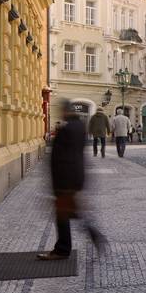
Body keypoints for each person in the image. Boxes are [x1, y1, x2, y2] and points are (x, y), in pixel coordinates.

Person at [38, 100, 106, 260]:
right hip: (76, 176)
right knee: (72, 212)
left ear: (65, 111)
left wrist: (57, 183)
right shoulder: (80, 127)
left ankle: (62, 249)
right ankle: (92, 234)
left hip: (65, 179)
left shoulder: (66, 129)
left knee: (62, 214)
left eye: (62, 110)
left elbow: (60, 158)